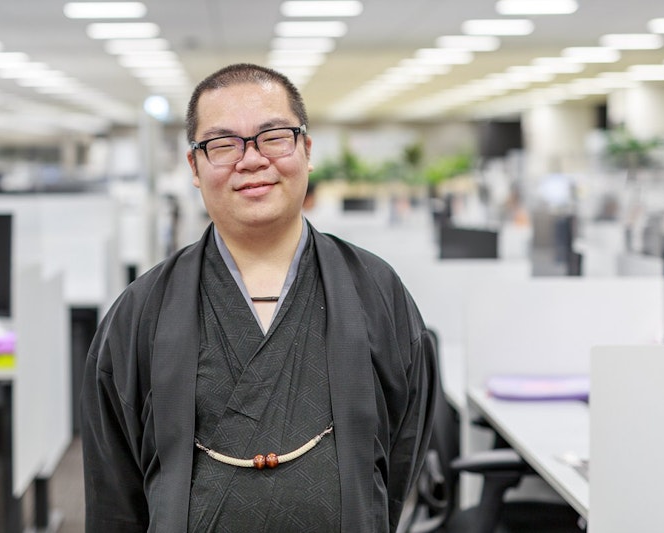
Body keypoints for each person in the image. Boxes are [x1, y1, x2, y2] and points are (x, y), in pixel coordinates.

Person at [81, 63, 436, 532]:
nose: (251, 160)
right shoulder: (141, 310)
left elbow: (399, 459)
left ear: (306, 150)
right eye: (222, 144)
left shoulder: (376, 290)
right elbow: (113, 493)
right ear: (194, 166)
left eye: (273, 137)